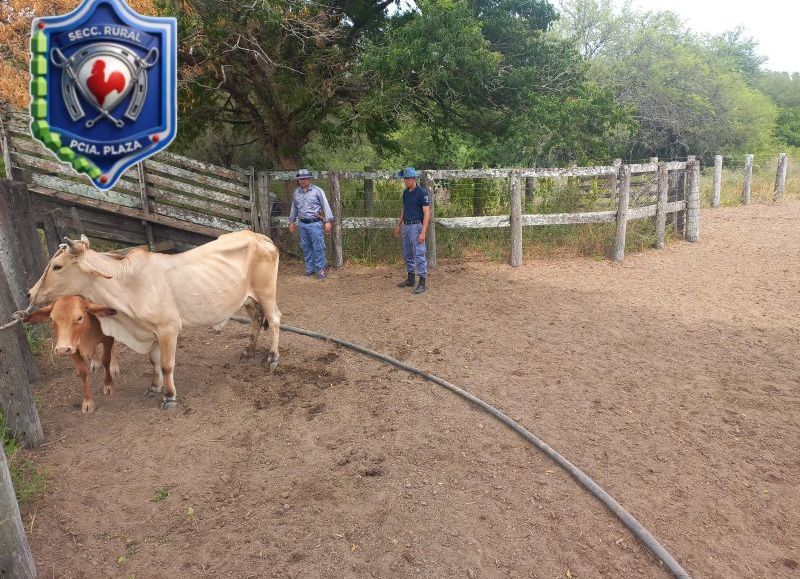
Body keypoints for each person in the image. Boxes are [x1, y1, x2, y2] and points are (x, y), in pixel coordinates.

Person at [288, 169, 334, 280]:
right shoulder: (296, 192)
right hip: (302, 224)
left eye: (304, 179)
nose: (302, 181)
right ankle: (310, 268)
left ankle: (320, 270)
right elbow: (294, 208)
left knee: (318, 247)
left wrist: (327, 221)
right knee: (306, 247)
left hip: (315, 223)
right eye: (300, 179)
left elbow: (325, 206)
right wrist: (291, 221)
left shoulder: (317, 191)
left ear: (309, 179)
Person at [394, 167, 430, 294]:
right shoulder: (405, 193)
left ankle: (422, 282)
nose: (405, 181)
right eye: (404, 178)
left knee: (419, 253)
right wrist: (399, 224)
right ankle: (410, 278)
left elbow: (426, 213)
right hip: (406, 226)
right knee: (407, 253)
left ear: (414, 179)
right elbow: (405, 209)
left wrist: (423, 231)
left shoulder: (422, 193)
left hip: (416, 226)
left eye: (407, 178)